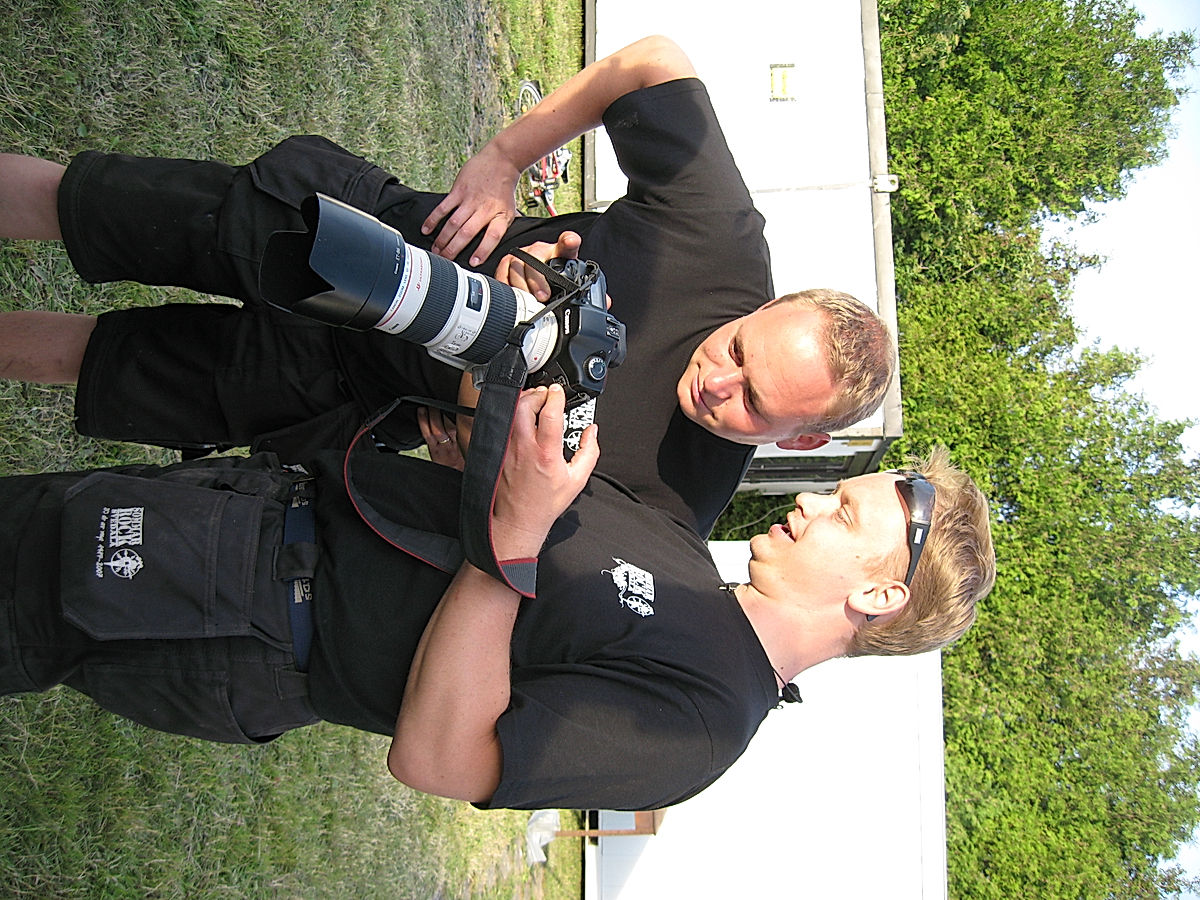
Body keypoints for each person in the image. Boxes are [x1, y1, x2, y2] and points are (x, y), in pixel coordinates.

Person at [0, 35, 896, 537]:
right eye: (740, 348)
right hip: (385, 240)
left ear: (801, 437)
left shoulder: (681, 504)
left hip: (350, 395)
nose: (718, 381)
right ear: (770, 303)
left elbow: (523, 553)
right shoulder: (722, 242)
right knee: (93, 206)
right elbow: (652, 64)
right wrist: (506, 157)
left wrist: (481, 477)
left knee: (100, 364)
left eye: (754, 405)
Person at [0, 379, 995, 810]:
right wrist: (479, 471)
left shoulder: (701, 724)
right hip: (250, 511)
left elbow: (441, 761)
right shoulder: (687, 555)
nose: (815, 499)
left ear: (874, 594)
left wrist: (505, 543)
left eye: (846, 511)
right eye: (837, 485)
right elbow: (506, 548)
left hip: (239, 617)